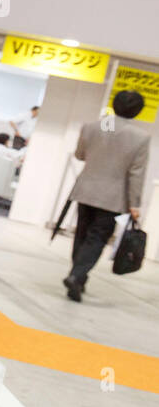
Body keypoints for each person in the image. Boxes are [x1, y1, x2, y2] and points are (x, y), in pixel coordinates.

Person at [63, 90, 149, 302]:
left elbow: (80, 155)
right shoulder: (140, 137)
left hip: (85, 190)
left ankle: (78, 277)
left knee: (81, 235)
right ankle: (76, 275)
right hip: (113, 197)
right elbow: (136, 173)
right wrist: (135, 204)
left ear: (114, 104)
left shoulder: (94, 126)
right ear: (137, 111)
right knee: (97, 238)